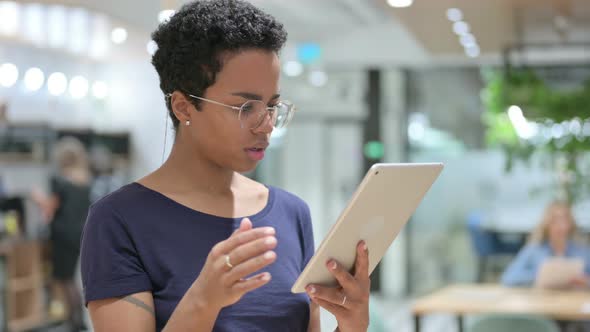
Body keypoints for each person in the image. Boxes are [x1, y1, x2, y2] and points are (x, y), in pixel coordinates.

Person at [80, 1, 371, 331]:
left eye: (272, 106)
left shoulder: (292, 213)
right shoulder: (119, 220)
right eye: (245, 107)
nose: (266, 125)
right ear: (184, 106)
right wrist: (204, 300)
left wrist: (351, 324)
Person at [31, 136, 91, 331]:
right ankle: (78, 320)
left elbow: (49, 208)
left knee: (64, 279)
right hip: (78, 235)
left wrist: (37, 197)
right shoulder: (84, 181)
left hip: (62, 235)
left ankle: (74, 322)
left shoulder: (61, 182)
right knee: (70, 279)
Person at [501, 201, 590, 287]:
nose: (560, 225)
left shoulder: (583, 251)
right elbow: (508, 278)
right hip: (542, 300)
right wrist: (538, 276)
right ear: (546, 224)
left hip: (574, 299)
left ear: (571, 223)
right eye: (555, 220)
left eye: (564, 219)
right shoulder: (533, 250)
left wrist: (585, 280)